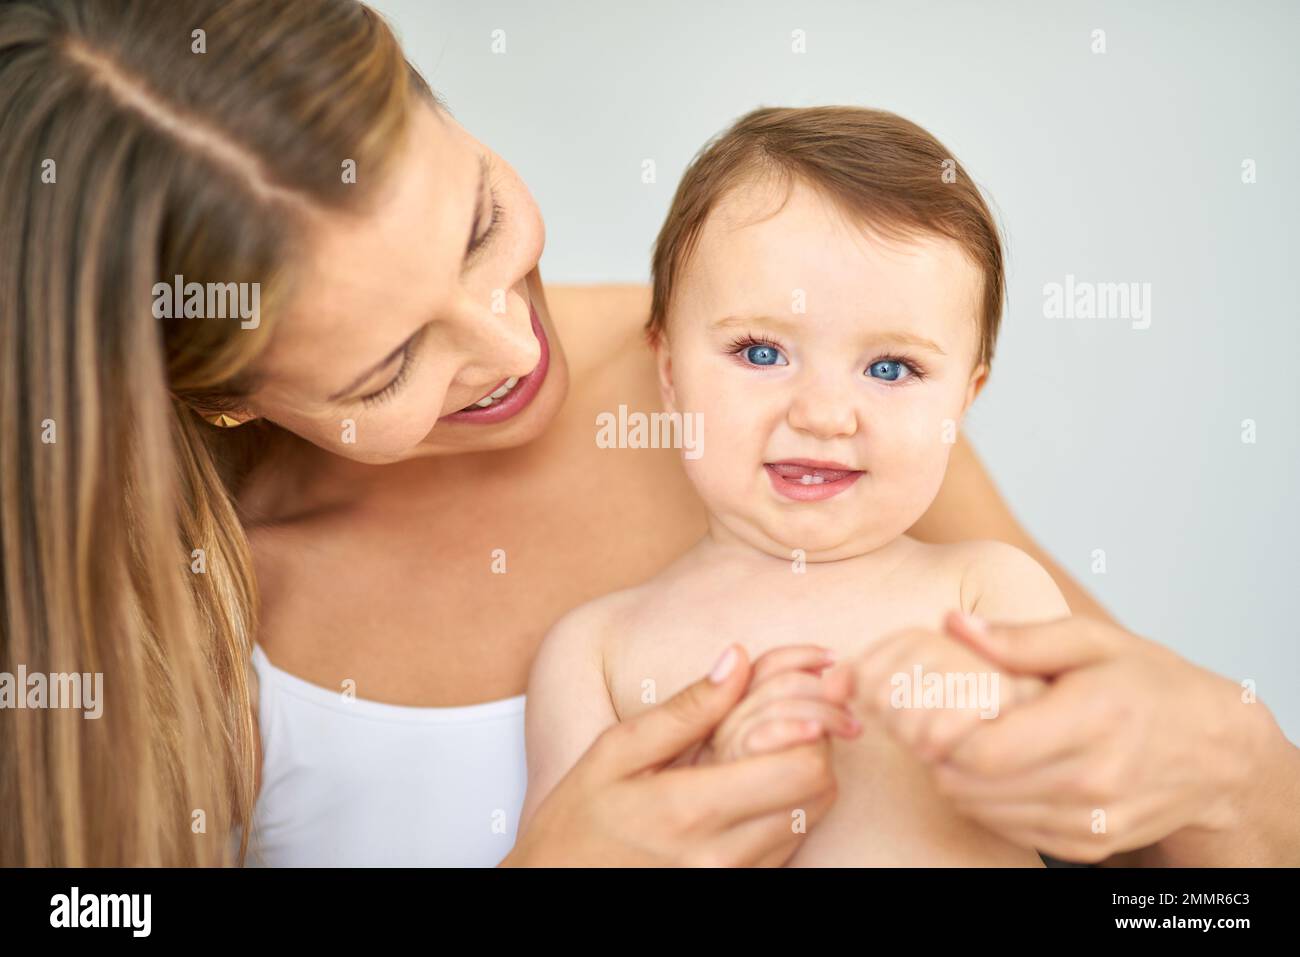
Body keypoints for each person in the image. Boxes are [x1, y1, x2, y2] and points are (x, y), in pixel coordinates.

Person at [1, 0, 1294, 867]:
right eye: (390, 361)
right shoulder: (155, 634)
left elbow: (1204, 843)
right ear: (222, 390)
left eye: (479, 225)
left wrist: (1224, 762)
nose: (516, 350)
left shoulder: (819, 427)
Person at [523, 105, 1068, 866]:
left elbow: (1095, 808)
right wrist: (713, 788)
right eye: (760, 352)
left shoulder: (989, 596)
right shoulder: (597, 651)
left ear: (964, 399)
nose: (820, 414)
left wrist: (989, 727)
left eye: (891, 368)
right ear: (671, 374)